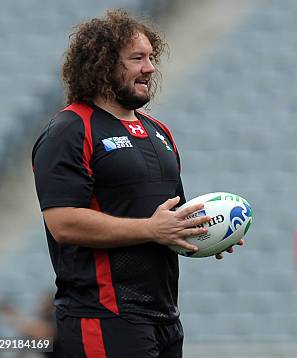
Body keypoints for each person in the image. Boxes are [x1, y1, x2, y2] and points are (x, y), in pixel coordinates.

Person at [32, 9, 241, 357]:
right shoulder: (70, 129)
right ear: (102, 64)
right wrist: (151, 229)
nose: (150, 67)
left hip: (165, 319)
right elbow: (63, 223)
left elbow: (172, 221)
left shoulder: (160, 133)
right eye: (137, 58)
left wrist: (210, 230)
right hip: (103, 317)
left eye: (151, 57)